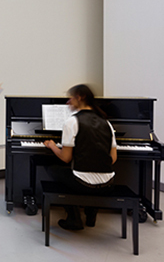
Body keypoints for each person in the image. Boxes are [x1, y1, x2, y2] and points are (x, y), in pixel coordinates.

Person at [43, 84, 117, 230]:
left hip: (83, 183)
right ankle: (91, 212)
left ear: (80, 97)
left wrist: (52, 146)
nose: (68, 102)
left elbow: (65, 158)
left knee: (52, 169)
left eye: (70, 98)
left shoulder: (72, 122)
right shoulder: (106, 123)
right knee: (75, 172)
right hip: (108, 184)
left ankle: (73, 217)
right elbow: (113, 158)